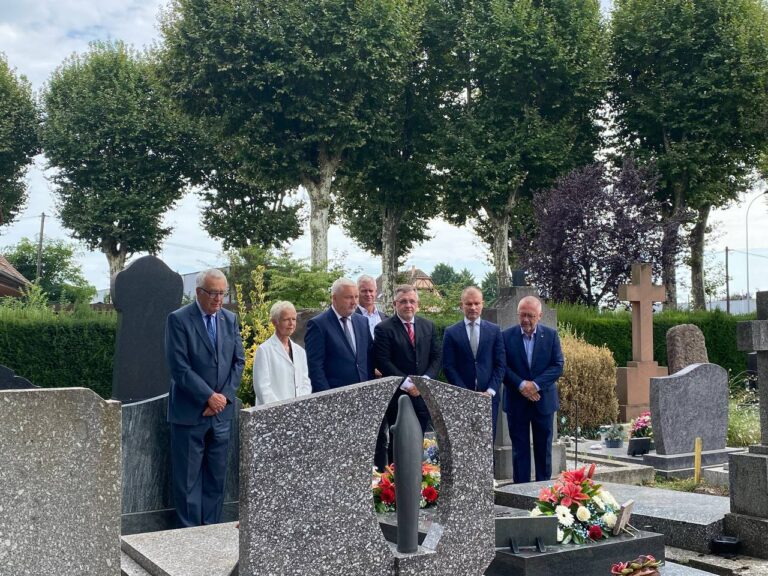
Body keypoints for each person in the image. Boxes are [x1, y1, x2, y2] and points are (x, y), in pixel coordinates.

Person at [165, 268, 245, 527]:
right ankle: (189, 537)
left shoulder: (229, 319)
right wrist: (208, 397)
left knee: (216, 479)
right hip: (190, 414)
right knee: (187, 482)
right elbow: (179, 366)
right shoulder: (178, 320)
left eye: (222, 293)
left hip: (221, 416)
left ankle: (211, 532)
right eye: (213, 293)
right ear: (199, 292)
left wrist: (223, 398)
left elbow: (238, 361)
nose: (218, 299)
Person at [374, 285, 441, 467]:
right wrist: (408, 383)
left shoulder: (428, 326)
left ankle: (419, 483)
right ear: (395, 304)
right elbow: (382, 360)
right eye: (403, 301)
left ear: (417, 304)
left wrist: (423, 383)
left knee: (419, 442)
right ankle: (394, 487)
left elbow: (436, 357)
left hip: (422, 396)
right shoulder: (383, 329)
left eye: (412, 301)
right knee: (398, 443)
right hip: (398, 396)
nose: (408, 305)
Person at [502, 295, 564, 484]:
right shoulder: (506, 336)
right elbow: (501, 366)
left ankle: (543, 492)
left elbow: (557, 365)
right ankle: (520, 493)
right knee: (519, 450)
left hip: (543, 401)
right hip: (516, 400)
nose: (526, 320)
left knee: (543, 449)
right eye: (522, 315)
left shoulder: (551, 335)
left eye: (530, 315)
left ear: (540, 315)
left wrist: (534, 385)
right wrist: (522, 385)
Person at [442, 286, 505, 443]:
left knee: (486, 444)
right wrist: (464, 393)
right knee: (465, 444)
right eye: (468, 304)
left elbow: (500, 364)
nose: (473, 307)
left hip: (488, 398)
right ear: (461, 305)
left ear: (482, 304)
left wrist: (490, 391)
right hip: (462, 398)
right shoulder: (451, 332)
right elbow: (448, 366)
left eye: (476, 303)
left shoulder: (494, 330)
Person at [305, 277, 374, 392]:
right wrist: (328, 397)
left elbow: (369, 358)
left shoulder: (362, 322)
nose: (354, 302)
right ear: (334, 298)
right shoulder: (318, 325)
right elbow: (315, 367)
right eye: (348, 297)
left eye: (356, 297)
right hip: (335, 396)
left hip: (363, 393)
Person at [253, 301, 311, 405]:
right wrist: (281, 410)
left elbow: (305, 383)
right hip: (272, 413)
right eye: (286, 319)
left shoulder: (300, 351)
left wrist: (300, 405)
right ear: (275, 322)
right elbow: (262, 389)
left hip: (297, 412)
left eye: (293, 319)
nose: (291, 323)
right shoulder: (264, 350)